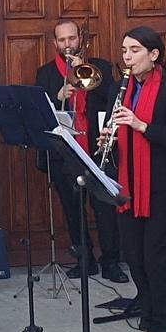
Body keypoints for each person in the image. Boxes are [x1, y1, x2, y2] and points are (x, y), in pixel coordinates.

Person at [101, 27, 166, 332]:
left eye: (135, 50)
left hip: (161, 189)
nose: (127, 57)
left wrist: (139, 126)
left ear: (154, 55)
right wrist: (111, 135)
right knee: (135, 259)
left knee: (158, 261)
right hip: (129, 187)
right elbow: (124, 136)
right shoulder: (122, 90)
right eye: (124, 50)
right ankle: (151, 329)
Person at [34, 20, 128, 283]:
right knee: (73, 208)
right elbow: (41, 111)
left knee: (105, 208)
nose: (67, 45)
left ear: (80, 41)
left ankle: (111, 262)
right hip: (66, 151)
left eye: (72, 39)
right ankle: (85, 261)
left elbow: (113, 97)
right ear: (55, 43)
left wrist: (83, 72)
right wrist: (58, 95)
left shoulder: (100, 67)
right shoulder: (46, 74)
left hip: (98, 148)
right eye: (62, 40)